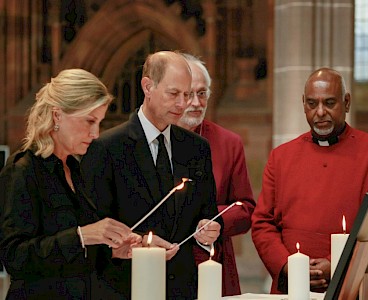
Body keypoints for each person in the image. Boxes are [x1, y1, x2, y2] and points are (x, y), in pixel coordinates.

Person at [81, 51, 222, 299]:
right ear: (148, 86)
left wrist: (208, 230)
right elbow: (94, 228)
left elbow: (207, 212)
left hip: (181, 288)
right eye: (174, 94)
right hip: (124, 286)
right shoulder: (106, 148)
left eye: (188, 94)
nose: (183, 104)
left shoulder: (197, 148)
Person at [251, 68, 368, 294]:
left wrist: (335, 264)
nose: (320, 112)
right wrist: (288, 266)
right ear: (303, 104)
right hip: (290, 286)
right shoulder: (281, 157)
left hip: (351, 286)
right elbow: (262, 223)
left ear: (346, 103)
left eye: (330, 103)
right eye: (312, 104)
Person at [0, 69, 141, 299]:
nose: (96, 134)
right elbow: (14, 257)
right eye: (89, 121)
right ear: (57, 116)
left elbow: (75, 259)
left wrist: (113, 252)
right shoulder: (22, 170)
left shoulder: (76, 170)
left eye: (100, 123)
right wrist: (82, 236)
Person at [177, 53, 256, 296]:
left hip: (213, 261)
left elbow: (246, 207)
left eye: (202, 93)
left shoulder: (228, 142)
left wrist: (217, 221)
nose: (196, 102)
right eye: (188, 94)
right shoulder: (152, 139)